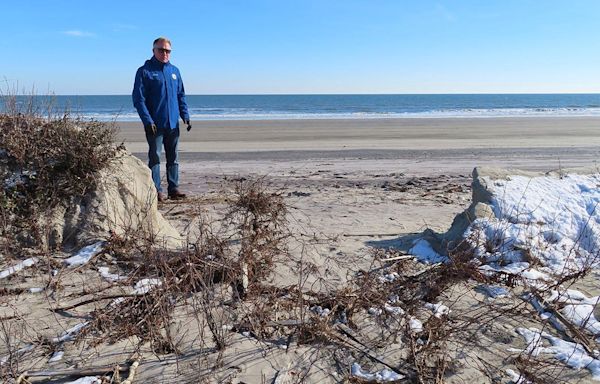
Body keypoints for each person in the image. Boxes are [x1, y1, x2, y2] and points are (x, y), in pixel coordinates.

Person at [132, 37, 191, 202]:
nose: (165, 53)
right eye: (161, 50)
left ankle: (174, 188)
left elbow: (181, 95)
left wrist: (185, 115)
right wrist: (147, 121)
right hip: (154, 125)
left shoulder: (175, 71)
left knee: (173, 157)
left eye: (168, 51)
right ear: (154, 51)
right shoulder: (145, 71)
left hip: (173, 123)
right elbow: (138, 99)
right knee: (155, 157)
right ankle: (156, 190)